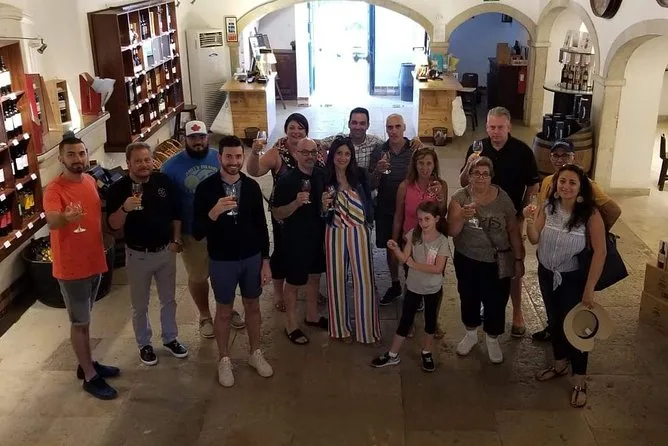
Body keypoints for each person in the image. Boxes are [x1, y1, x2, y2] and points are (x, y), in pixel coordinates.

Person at [193, 135, 273, 387]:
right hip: (222, 259)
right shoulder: (206, 189)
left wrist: (266, 260)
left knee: (253, 306)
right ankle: (224, 358)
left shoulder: (251, 187)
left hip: (251, 257)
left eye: (238, 156)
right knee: (224, 310)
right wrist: (213, 213)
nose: (234, 161)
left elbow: (262, 226)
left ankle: (255, 352)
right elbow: (197, 232)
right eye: (229, 156)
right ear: (220, 157)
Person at [524, 164, 606, 408]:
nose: (566, 186)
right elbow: (534, 239)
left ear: (581, 188)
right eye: (562, 181)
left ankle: (579, 380)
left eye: (572, 182)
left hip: (572, 280)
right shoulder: (548, 207)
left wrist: (589, 288)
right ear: (555, 184)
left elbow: (600, 252)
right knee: (554, 321)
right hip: (546, 273)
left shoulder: (590, 215)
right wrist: (529, 221)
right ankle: (560, 363)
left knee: (577, 328)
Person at [44, 136, 120, 400]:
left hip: (94, 260)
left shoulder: (88, 180)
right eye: (71, 154)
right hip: (72, 267)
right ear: (60, 158)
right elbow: (52, 221)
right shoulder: (54, 189)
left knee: (86, 318)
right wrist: (65, 217)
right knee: (80, 323)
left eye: (81, 153)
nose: (77, 159)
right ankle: (89, 376)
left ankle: (86, 362)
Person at [459, 107, 539, 337]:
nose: (495, 132)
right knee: (484, 263)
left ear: (509, 127)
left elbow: (533, 184)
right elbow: (463, 181)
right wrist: (469, 164)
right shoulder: (477, 148)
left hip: (510, 218)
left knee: (512, 265)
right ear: (486, 127)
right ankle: (488, 305)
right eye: (491, 127)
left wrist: (522, 212)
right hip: (480, 216)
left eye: (500, 127)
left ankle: (517, 313)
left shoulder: (522, 152)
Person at [107, 142, 188, 366]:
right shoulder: (118, 189)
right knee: (140, 305)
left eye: (147, 160)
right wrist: (125, 208)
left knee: (168, 300)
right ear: (128, 163)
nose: (144, 165)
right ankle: (144, 344)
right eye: (138, 161)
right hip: (137, 255)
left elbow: (176, 213)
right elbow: (112, 225)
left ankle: (170, 338)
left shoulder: (163, 181)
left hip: (165, 252)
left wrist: (176, 240)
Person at [532, 139, 621, 342]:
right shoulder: (548, 183)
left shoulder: (589, 193)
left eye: (565, 155)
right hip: (547, 265)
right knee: (553, 310)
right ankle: (554, 333)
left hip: (571, 271)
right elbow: (539, 223)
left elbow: (614, 211)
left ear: (574, 157)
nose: (560, 159)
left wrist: (594, 234)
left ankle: (571, 351)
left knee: (573, 318)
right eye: (556, 155)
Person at [162, 120, 244, 338]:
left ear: (208, 137)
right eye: (193, 138)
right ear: (185, 139)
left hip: (223, 228)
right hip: (192, 231)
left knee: (226, 272)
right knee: (198, 276)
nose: (198, 142)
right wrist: (174, 236)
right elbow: (168, 205)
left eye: (201, 137)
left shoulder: (220, 157)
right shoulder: (170, 167)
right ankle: (205, 315)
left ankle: (227, 308)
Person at [247, 113, 326, 312]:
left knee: (311, 249)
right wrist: (254, 153)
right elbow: (254, 172)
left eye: (300, 128)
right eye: (292, 127)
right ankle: (279, 293)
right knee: (282, 251)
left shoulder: (313, 148)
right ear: (286, 130)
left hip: (308, 210)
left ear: (306, 131)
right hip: (283, 209)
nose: (296, 131)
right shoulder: (277, 152)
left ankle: (311, 290)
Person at [449, 156, 525, 364]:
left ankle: (492, 339)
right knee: (468, 296)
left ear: (491, 177)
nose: (481, 177)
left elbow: (513, 230)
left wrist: (519, 258)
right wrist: (461, 216)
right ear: (469, 176)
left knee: (496, 300)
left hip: (496, 260)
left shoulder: (502, 198)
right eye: (476, 173)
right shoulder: (459, 198)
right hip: (467, 258)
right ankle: (471, 334)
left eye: (485, 174)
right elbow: (452, 231)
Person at [371, 202, 449, 372]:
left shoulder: (442, 241)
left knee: (430, 322)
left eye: (427, 219)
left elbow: (438, 268)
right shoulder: (414, 234)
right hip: (414, 286)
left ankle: (426, 351)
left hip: (432, 288)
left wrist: (413, 264)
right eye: (420, 219)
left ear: (436, 219)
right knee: (405, 320)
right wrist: (396, 249)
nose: (423, 223)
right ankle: (393, 354)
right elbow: (404, 258)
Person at [321, 136, 380, 344]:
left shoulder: (360, 175)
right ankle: (340, 330)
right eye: (339, 153)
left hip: (359, 231)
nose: (343, 157)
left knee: (364, 281)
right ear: (332, 155)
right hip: (334, 232)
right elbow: (321, 213)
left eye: (347, 154)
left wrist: (369, 221)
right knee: (336, 280)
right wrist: (323, 207)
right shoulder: (324, 178)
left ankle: (368, 331)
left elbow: (369, 201)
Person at [272, 138, 329, 345]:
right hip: (296, 239)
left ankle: (312, 315)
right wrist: (295, 203)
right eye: (305, 152)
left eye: (313, 152)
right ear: (296, 154)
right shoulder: (286, 180)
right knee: (294, 282)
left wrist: (325, 205)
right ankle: (291, 324)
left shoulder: (321, 175)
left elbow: (324, 205)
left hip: (317, 236)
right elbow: (277, 212)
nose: (309, 156)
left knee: (314, 276)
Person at [392, 147, 448, 333]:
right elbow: (398, 216)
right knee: (412, 282)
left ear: (434, 165)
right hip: (412, 242)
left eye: (429, 163)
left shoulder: (441, 185)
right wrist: (395, 240)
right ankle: (408, 321)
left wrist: (440, 196)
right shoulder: (405, 186)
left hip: (434, 243)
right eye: (421, 163)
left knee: (435, 283)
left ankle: (433, 322)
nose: (425, 168)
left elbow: (442, 213)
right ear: (414, 165)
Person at [368, 114, 415, 305]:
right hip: (386, 207)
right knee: (391, 247)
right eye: (390, 127)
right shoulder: (379, 151)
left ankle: (412, 288)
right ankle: (395, 284)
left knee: (411, 248)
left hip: (410, 209)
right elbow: (371, 185)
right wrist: (378, 171)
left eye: (397, 126)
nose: (393, 131)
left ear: (404, 127)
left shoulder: (414, 149)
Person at [319, 107, 422, 169]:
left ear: (368, 125)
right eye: (354, 123)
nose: (358, 127)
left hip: (364, 188)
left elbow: (394, 141)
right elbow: (317, 144)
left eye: (362, 123)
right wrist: (327, 164)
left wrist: (415, 140)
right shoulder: (339, 140)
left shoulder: (375, 142)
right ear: (349, 124)